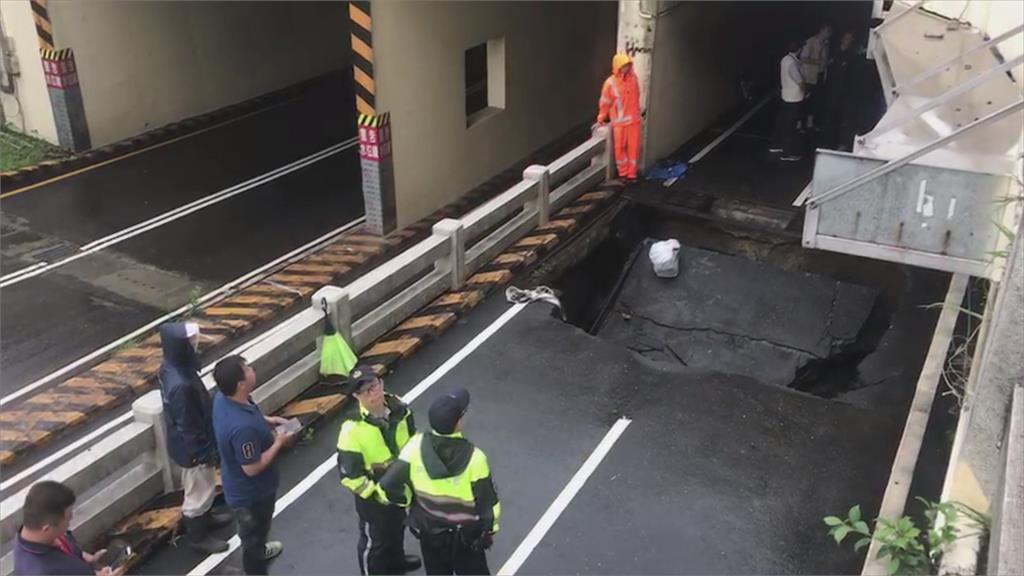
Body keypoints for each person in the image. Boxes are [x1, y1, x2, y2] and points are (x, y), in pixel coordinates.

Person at [381, 388, 500, 576]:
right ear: (458, 423)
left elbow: (388, 485)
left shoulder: (414, 446)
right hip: (466, 537)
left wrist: (410, 502)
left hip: (430, 534)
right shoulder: (475, 458)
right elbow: (488, 504)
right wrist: (489, 531)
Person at [213, 355, 297, 575]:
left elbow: (249, 411)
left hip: (239, 485)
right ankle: (256, 566)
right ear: (241, 383)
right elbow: (251, 468)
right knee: (254, 534)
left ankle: (259, 549)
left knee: (257, 534)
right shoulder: (242, 430)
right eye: (247, 369)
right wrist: (278, 442)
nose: (252, 369)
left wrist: (268, 420)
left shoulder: (224, 399)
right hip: (252, 496)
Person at [336, 366, 421, 575]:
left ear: (381, 382)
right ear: (356, 396)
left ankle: (395, 562)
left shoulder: (401, 409)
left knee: (397, 530)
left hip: (401, 490)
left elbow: (413, 439)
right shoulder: (351, 430)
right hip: (374, 502)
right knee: (374, 544)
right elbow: (350, 477)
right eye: (366, 391)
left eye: (374, 385)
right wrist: (377, 494)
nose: (373, 393)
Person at [157, 322, 232, 553]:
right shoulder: (181, 385)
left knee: (205, 486)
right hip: (193, 450)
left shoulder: (172, 369)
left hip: (190, 444)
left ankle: (206, 519)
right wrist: (203, 454)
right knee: (198, 493)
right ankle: (198, 537)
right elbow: (188, 425)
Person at [13, 480, 124, 576]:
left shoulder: (36, 532)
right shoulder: (41, 572)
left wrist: (89, 559)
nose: (69, 523)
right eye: (68, 519)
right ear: (47, 529)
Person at [597, 53, 642, 182]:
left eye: (627, 65)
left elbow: (636, 96)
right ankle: (623, 173)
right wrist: (602, 116)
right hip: (619, 123)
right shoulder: (610, 83)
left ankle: (631, 174)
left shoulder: (633, 79)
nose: (626, 68)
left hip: (633, 121)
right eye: (623, 66)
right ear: (617, 66)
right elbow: (605, 102)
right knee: (620, 149)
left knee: (633, 149)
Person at [824, 31, 864, 151]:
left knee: (843, 118)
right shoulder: (834, 52)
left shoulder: (852, 56)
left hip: (845, 91)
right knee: (830, 117)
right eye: (846, 38)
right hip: (832, 89)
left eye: (850, 39)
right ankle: (828, 141)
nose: (847, 41)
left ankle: (839, 142)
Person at [771, 40, 806, 161]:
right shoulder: (793, 63)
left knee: (781, 122)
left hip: (786, 95)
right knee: (790, 126)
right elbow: (799, 80)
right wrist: (805, 90)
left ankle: (776, 145)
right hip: (794, 97)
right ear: (799, 49)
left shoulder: (785, 59)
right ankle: (787, 152)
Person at [800, 23, 833, 130]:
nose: (829, 34)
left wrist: (826, 64)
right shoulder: (811, 42)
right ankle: (800, 122)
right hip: (809, 76)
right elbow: (803, 58)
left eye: (830, 32)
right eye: (827, 31)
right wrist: (818, 62)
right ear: (821, 30)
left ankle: (810, 122)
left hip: (820, 74)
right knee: (805, 100)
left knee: (815, 100)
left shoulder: (826, 43)